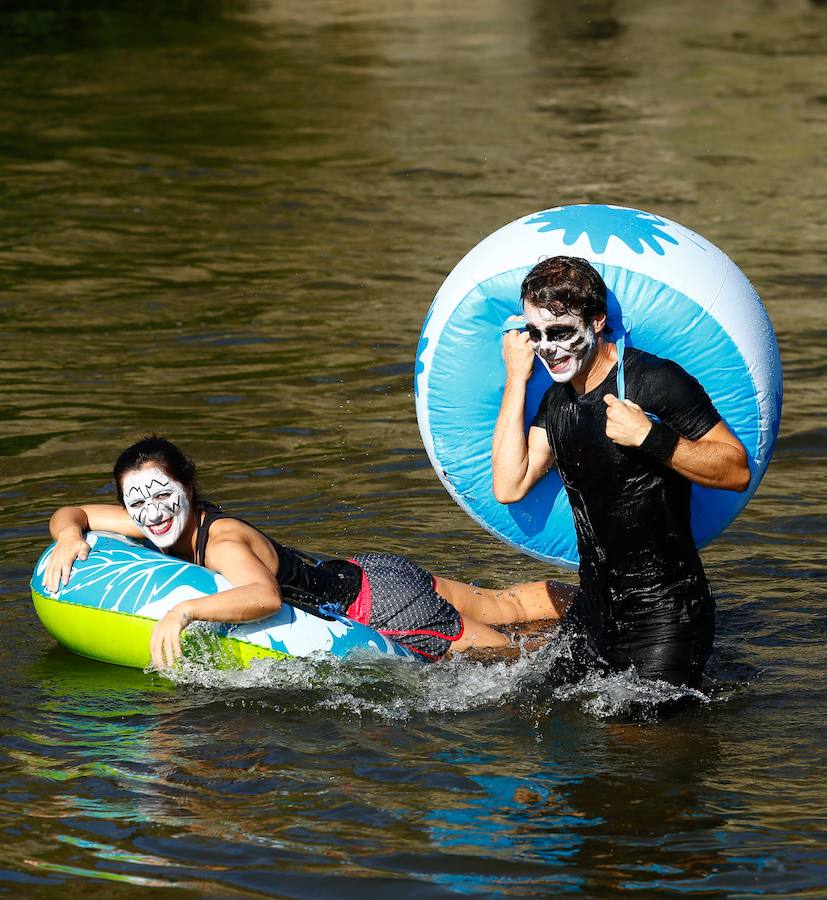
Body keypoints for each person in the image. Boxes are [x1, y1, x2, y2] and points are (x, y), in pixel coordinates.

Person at [46, 437, 575, 669]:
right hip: (368, 573)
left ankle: (611, 638)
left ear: (188, 487)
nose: (150, 512)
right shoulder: (158, 520)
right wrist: (71, 537)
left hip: (380, 607)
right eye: (134, 501)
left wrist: (183, 610)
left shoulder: (222, 540)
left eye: (162, 495)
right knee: (509, 607)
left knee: (514, 663)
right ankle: (596, 598)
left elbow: (263, 596)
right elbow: (75, 514)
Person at [491, 256, 750, 689]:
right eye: (536, 335)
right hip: (594, 611)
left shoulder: (655, 381)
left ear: (596, 322)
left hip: (666, 614)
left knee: (638, 751)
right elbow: (508, 483)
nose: (547, 348)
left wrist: (652, 438)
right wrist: (516, 378)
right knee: (534, 713)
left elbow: (736, 468)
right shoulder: (556, 402)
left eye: (559, 333)